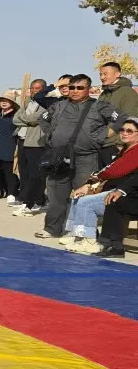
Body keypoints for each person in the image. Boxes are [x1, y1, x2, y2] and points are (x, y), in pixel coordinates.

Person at [35, 74, 123, 240]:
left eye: (80, 88)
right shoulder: (59, 105)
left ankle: (79, 233)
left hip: (86, 158)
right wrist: (52, 135)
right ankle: (52, 229)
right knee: (56, 195)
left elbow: (120, 119)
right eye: (72, 87)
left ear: (88, 89)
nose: (75, 91)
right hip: (59, 157)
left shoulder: (99, 106)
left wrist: (102, 136)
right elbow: (43, 119)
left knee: (83, 195)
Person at [60, 117, 138, 254]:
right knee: (78, 196)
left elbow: (114, 171)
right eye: (122, 130)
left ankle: (89, 241)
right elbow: (107, 170)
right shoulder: (125, 150)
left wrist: (93, 183)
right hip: (115, 190)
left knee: (85, 203)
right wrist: (88, 184)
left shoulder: (135, 152)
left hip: (127, 195)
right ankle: (75, 235)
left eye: (129, 131)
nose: (124, 133)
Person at [12, 78, 52, 215]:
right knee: (24, 171)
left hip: (36, 142)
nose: (34, 91)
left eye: (37, 88)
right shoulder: (28, 102)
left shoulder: (46, 103)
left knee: (36, 173)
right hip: (22, 140)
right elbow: (15, 119)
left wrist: (26, 118)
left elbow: (35, 119)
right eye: (32, 88)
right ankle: (24, 197)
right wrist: (27, 119)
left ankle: (38, 200)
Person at [98, 61, 138, 167]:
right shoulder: (103, 94)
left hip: (116, 145)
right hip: (102, 144)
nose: (102, 77)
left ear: (117, 74)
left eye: (105, 74)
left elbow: (130, 120)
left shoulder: (127, 92)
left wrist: (121, 143)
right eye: (100, 74)